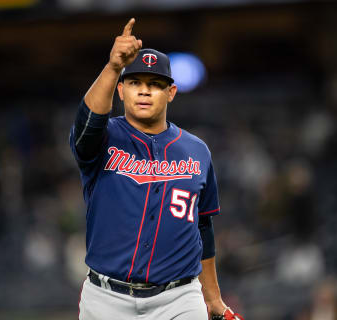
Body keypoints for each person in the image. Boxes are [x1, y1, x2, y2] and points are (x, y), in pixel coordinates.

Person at [70, 18, 242, 320]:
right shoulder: (104, 138)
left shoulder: (197, 151)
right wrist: (112, 67)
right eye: (135, 83)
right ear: (121, 91)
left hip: (179, 298)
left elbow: (203, 227)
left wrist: (212, 297)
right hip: (106, 299)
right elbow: (84, 131)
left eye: (155, 85)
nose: (145, 91)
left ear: (171, 93)